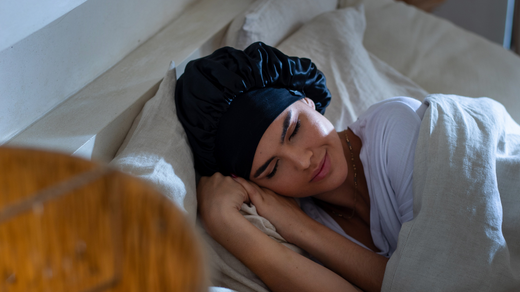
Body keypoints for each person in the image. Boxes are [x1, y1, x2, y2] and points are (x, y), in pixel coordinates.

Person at [175, 42, 422, 292]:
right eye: (272, 169)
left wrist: (298, 225)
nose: (304, 162)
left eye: (295, 130)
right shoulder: (310, 216)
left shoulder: (395, 128)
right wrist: (223, 220)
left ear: (307, 101)